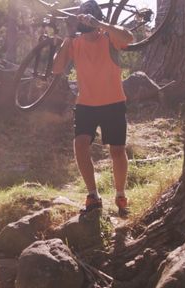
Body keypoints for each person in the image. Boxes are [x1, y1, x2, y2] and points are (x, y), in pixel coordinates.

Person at [52, 0, 133, 217]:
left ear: (96, 18)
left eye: (90, 16)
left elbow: (128, 37)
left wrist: (102, 24)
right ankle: (93, 195)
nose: (85, 21)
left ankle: (120, 194)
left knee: (117, 151)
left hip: (114, 102)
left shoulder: (108, 38)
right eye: (83, 17)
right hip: (86, 104)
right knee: (80, 145)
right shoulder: (75, 42)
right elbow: (57, 67)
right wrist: (69, 36)